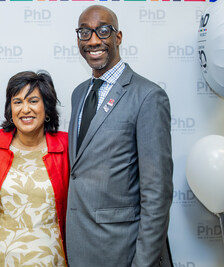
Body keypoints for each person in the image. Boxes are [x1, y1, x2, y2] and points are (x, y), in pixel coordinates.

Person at [66, 5, 173, 267]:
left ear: (118, 37)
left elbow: (157, 192)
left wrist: (143, 262)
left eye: (103, 30)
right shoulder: (79, 94)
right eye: (84, 32)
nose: (93, 40)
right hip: (80, 246)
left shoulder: (147, 96)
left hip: (122, 252)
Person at [0, 71, 69, 266]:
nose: (25, 109)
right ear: (10, 108)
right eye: (17, 102)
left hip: (52, 261)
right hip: (0, 260)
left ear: (47, 107)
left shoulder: (67, 146)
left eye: (33, 101)